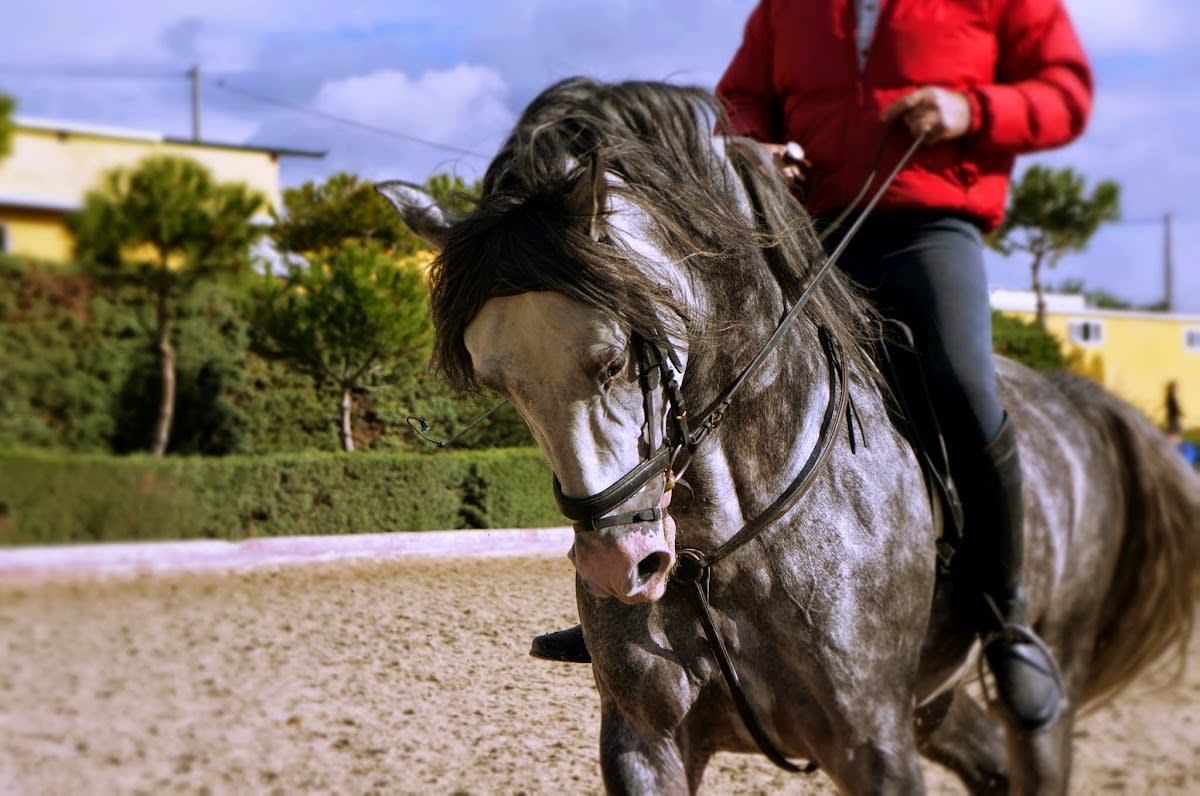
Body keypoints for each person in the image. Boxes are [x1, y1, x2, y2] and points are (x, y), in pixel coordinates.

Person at [534, 0, 1091, 734]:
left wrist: (971, 109)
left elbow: (1065, 93)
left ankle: (1004, 619)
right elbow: (740, 100)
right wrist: (751, 148)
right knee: (696, 369)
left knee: (961, 389)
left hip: (926, 226)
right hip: (799, 227)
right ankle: (627, 612)